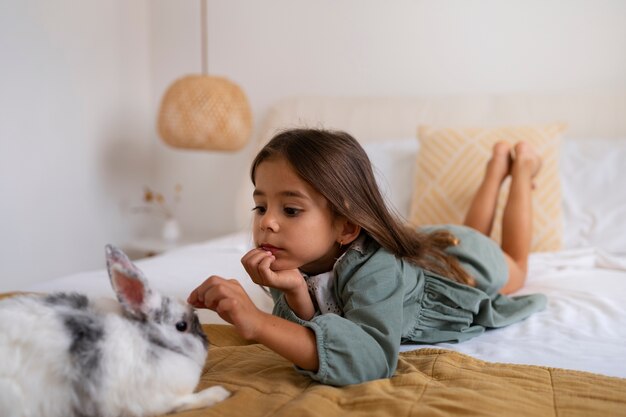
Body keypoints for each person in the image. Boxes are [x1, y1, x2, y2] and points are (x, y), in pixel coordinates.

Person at [188, 128, 547, 386]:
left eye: (291, 210)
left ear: (345, 228)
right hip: (429, 244)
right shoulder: (289, 260)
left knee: (514, 264)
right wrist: (296, 294)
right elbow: (312, 327)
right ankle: (496, 167)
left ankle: (519, 171)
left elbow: (373, 356)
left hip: (461, 264)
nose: (267, 222)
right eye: (260, 205)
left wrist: (258, 323)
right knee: (472, 231)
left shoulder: (376, 270)